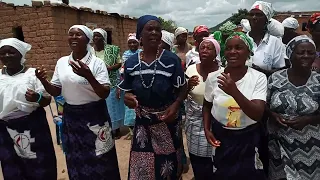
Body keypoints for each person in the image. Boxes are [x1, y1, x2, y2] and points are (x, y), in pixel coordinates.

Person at [37, 25, 121, 179]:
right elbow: (56, 90)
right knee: (76, 157)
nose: (74, 37)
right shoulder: (62, 62)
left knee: (101, 156)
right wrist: (44, 81)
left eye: (78, 35)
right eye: (71, 34)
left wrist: (88, 75)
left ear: (88, 40)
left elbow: (104, 93)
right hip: (72, 118)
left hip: (95, 116)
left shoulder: (96, 63)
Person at [118, 15, 187, 180]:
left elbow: (183, 87)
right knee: (142, 165)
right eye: (150, 29)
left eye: (158, 29)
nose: (155, 33)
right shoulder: (131, 62)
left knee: (168, 166)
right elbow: (126, 91)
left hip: (167, 120)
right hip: (143, 122)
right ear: (139, 34)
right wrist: (127, 98)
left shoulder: (171, 60)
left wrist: (176, 105)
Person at [203, 32, 267, 179]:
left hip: (248, 139)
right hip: (222, 138)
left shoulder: (258, 77)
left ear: (248, 52)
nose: (232, 52)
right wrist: (207, 129)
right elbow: (207, 105)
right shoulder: (213, 78)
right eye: (229, 48)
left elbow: (257, 114)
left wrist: (234, 91)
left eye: (238, 47)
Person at [0, 38, 57, 180]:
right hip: (6, 131)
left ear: (20, 54)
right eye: (3, 53)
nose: (6, 56)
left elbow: (46, 100)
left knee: (39, 166)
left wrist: (37, 97)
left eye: (11, 52)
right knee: (13, 168)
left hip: (32, 126)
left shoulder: (32, 74)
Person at [267, 35, 320, 180]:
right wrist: (273, 115)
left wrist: (308, 120)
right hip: (278, 143)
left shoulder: (318, 80)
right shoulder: (275, 78)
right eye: (301, 52)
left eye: (310, 53)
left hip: (311, 146)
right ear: (290, 54)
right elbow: (264, 105)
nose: (306, 56)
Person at [185, 36, 220, 179]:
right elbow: (181, 94)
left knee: (216, 159)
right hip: (194, 124)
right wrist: (187, 86)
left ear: (216, 52)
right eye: (202, 48)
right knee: (198, 162)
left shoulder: (223, 72)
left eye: (209, 48)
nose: (204, 50)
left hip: (215, 124)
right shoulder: (190, 69)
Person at [92, 28, 124, 139]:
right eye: (94, 36)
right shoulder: (90, 51)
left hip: (111, 82)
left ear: (104, 38)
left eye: (98, 36)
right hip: (95, 83)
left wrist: (109, 68)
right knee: (99, 106)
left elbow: (119, 63)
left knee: (112, 106)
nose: (96, 38)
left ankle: (116, 129)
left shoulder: (113, 49)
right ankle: (103, 128)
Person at [248, 1, 286, 77]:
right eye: (251, 14)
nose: (254, 17)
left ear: (266, 20)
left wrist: (263, 72)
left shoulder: (275, 42)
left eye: (259, 15)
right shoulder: (241, 39)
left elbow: (281, 70)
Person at [120, 33, 141, 139]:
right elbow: (123, 70)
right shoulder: (125, 54)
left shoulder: (141, 53)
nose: (132, 44)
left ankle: (139, 129)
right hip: (128, 84)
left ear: (138, 43)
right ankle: (132, 131)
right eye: (130, 43)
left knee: (139, 106)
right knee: (129, 108)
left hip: (140, 84)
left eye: (134, 42)